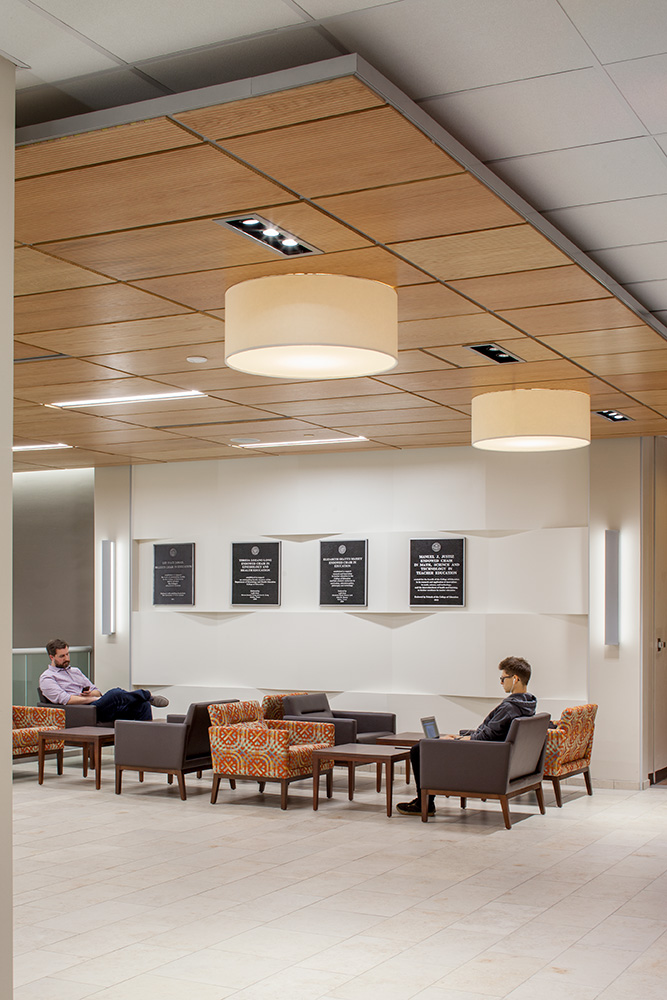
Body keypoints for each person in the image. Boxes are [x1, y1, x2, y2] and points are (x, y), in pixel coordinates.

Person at [397, 656, 537, 816]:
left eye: (503, 678)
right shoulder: (527, 704)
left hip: (483, 759)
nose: (501, 683)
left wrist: (459, 740)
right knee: (434, 744)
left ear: (515, 679)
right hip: (497, 757)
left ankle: (425, 803)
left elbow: (485, 738)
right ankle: (425, 800)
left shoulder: (510, 707)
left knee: (419, 749)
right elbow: (491, 732)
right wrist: (462, 736)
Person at [39, 639, 169, 723]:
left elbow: (97, 692)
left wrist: (92, 695)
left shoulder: (75, 671)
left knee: (142, 705)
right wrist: (92, 699)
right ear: (52, 657)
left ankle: (143, 750)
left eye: (67, 654)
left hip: (96, 705)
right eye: (62, 656)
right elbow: (67, 700)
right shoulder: (47, 678)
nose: (66, 658)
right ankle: (147, 695)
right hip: (82, 712)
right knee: (115, 693)